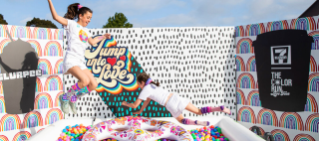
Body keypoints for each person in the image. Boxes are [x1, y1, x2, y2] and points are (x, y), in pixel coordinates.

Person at [48, 0, 111, 114]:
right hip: (71, 59)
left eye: (90, 18)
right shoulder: (72, 24)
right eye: (87, 17)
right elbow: (56, 17)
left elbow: (92, 42)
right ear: (80, 16)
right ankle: (65, 97)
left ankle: (74, 98)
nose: (89, 20)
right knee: (85, 80)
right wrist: (50, 1)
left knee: (93, 84)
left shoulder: (86, 31)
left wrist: (103, 37)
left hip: (81, 61)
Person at [122, 73, 231, 126]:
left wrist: (125, 103)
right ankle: (220, 108)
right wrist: (141, 111)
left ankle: (197, 122)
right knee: (198, 111)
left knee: (181, 120)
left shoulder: (145, 89)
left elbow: (135, 105)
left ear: (142, 82)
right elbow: (147, 101)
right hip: (176, 97)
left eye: (138, 85)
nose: (139, 87)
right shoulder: (152, 85)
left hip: (170, 104)